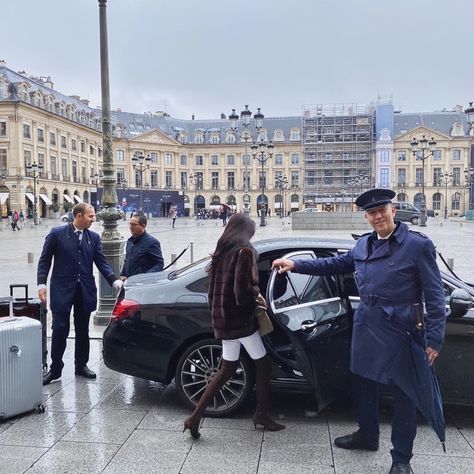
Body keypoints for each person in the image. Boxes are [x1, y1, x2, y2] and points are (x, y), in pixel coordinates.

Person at [272, 188, 446, 474]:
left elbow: (435, 295)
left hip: (402, 330)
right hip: (367, 326)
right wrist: (296, 264)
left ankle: (401, 459)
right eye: (372, 213)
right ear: (365, 217)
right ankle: (367, 436)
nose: (378, 217)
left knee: (405, 396)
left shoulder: (417, 246)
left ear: (393, 211)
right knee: (363, 385)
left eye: (382, 211)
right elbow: (335, 265)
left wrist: (435, 339)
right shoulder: (363, 245)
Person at [183, 213, 285, 439]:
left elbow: (212, 292)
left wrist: (217, 315)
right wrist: (257, 294)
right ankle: (261, 414)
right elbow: (242, 292)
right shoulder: (245, 252)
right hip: (241, 322)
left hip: (223, 320)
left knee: (227, 369)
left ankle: (194, 418)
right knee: (263, 363)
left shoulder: (222, 252)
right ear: (246, 232)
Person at [38, 203, 123, 385]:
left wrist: (114, 281)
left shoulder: (94, 237)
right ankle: (55, 370)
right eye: (91, 216)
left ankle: (81, 366)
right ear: (78, 216)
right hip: (62, 289)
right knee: (60, 329)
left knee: (83, 329)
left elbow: (101, 262)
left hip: (84, 289)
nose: (94, 219)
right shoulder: (57, 234)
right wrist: (41, 284)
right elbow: (44, 260)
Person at [120, 213, 164, 280]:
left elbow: (159, 264)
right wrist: (123, 274)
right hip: (129, 282)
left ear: (143, 226)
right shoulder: (130, 241)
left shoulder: (151, 242)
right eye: (130, 224)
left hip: (142, 284)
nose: (131, 227)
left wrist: (145, 277)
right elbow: (127, 260)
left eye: (134, 225)